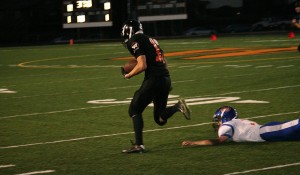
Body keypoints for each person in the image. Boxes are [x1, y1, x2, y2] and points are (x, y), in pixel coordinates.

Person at [120, 19, 191, 153]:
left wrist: (128, 75)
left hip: (155, 79)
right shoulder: (151, 39)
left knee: (134, 110)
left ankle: (139, 145)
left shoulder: (134, 40)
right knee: (160, 118)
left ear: (128, 31)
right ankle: (178, 107)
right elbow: (164, 60)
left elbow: (142, 65)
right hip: (165, 78)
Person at [182, 106, 300, 146]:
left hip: (265, 132)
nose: (218, 122)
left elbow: (219, 141)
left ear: (224, 117)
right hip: (266, 134)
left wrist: (194, 142)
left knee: (295, 125)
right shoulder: (236, 122)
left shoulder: (227, 125)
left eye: (219, 119)